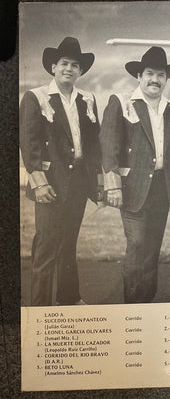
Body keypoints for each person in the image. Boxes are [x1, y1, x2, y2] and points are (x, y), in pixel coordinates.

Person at [99, 46, 170, 303]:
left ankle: (145, 306)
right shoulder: (121, 103)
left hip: (162, 189)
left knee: (152, 249)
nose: (155, 79)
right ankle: (132, 305)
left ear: (166, 78)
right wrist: (113, 186)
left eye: (160, 74)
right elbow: (109, 146)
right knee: (138, 244)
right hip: (132, 188)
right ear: (139, 76)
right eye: (150, 73)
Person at [20, 37, 101, 306]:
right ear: (53, 67)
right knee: (46, 245)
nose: (69, 68)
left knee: (69, 243)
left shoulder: (87, 100)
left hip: (78, 181)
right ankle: (40, 308)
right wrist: (39, 184)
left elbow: (93, 144)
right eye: (64, 63)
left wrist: (97, 182)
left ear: (80, 71)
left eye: (75, 65)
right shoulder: (36, 97)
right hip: (50, 182)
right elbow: (29, 144)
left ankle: (69, 298)